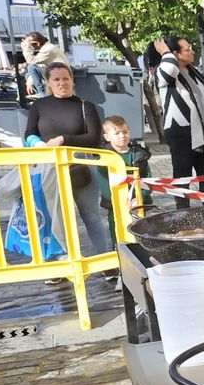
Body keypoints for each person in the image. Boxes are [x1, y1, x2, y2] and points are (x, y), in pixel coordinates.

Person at [24, 62, 116, 265]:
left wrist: (63, 140)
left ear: (72, 80)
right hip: (49, 169)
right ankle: (61, 264)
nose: (62, 83)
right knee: (55, 219)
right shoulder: (38, 106)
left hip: (82, 168)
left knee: (91, 216)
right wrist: (38, 144)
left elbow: (94, 138)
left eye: (65, 78)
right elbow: (29, 133)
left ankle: (105, 262)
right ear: (48, 82)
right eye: (56, 79)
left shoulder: (85, 106)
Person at [146, 37, 204, 210]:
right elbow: (170, 68)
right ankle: (183, 216)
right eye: (187, 49)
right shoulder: (163, 70)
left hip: (202, 131)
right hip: (180, 132)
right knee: (182, 177)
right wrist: (164, 51)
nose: (192, 51)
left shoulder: (193, 72)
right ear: (175, 54)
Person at [101, 115, 151, 212]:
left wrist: (140, 198)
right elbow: (103, 183)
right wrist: (117, 200)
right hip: (115, 205)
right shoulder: (105, 158)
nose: (122, 136)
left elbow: (147, 179)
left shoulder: (139, 155)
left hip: (138, 204)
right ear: (107, 137)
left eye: (125, 132)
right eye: (117, 133)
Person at [20, 31, 68, 102]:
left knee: (31, 67)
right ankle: (42, 93)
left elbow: (31, 61)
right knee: (28, 75)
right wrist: (29, 82)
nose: (31, 47)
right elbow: (39, 66)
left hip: (59, 74)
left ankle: (41, 93)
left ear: (37, 43)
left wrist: (25, 46)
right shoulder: (47, 47)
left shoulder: (48, 49)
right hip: (57, 73)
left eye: (31, 44)